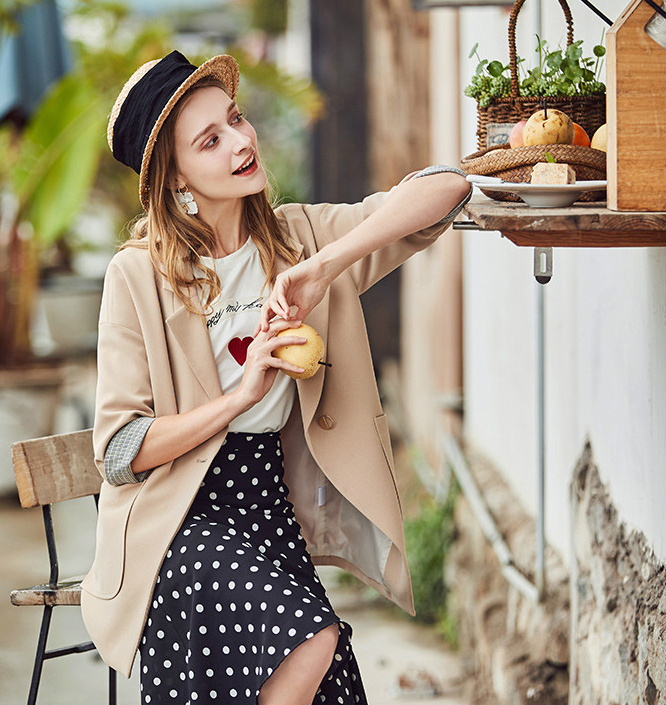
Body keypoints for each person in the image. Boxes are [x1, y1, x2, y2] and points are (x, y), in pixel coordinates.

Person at [80, 50, 472, 705]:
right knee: (313, 640)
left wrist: (327, 266)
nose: (240, 142)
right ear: (176, 178)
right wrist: (240, 398)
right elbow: (120, 452)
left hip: (269, 510)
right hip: (180, 520)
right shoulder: (137, 276)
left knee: (331, 681)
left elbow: (448, 186)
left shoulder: (299, 241)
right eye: (211, 139)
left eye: (236, 119)